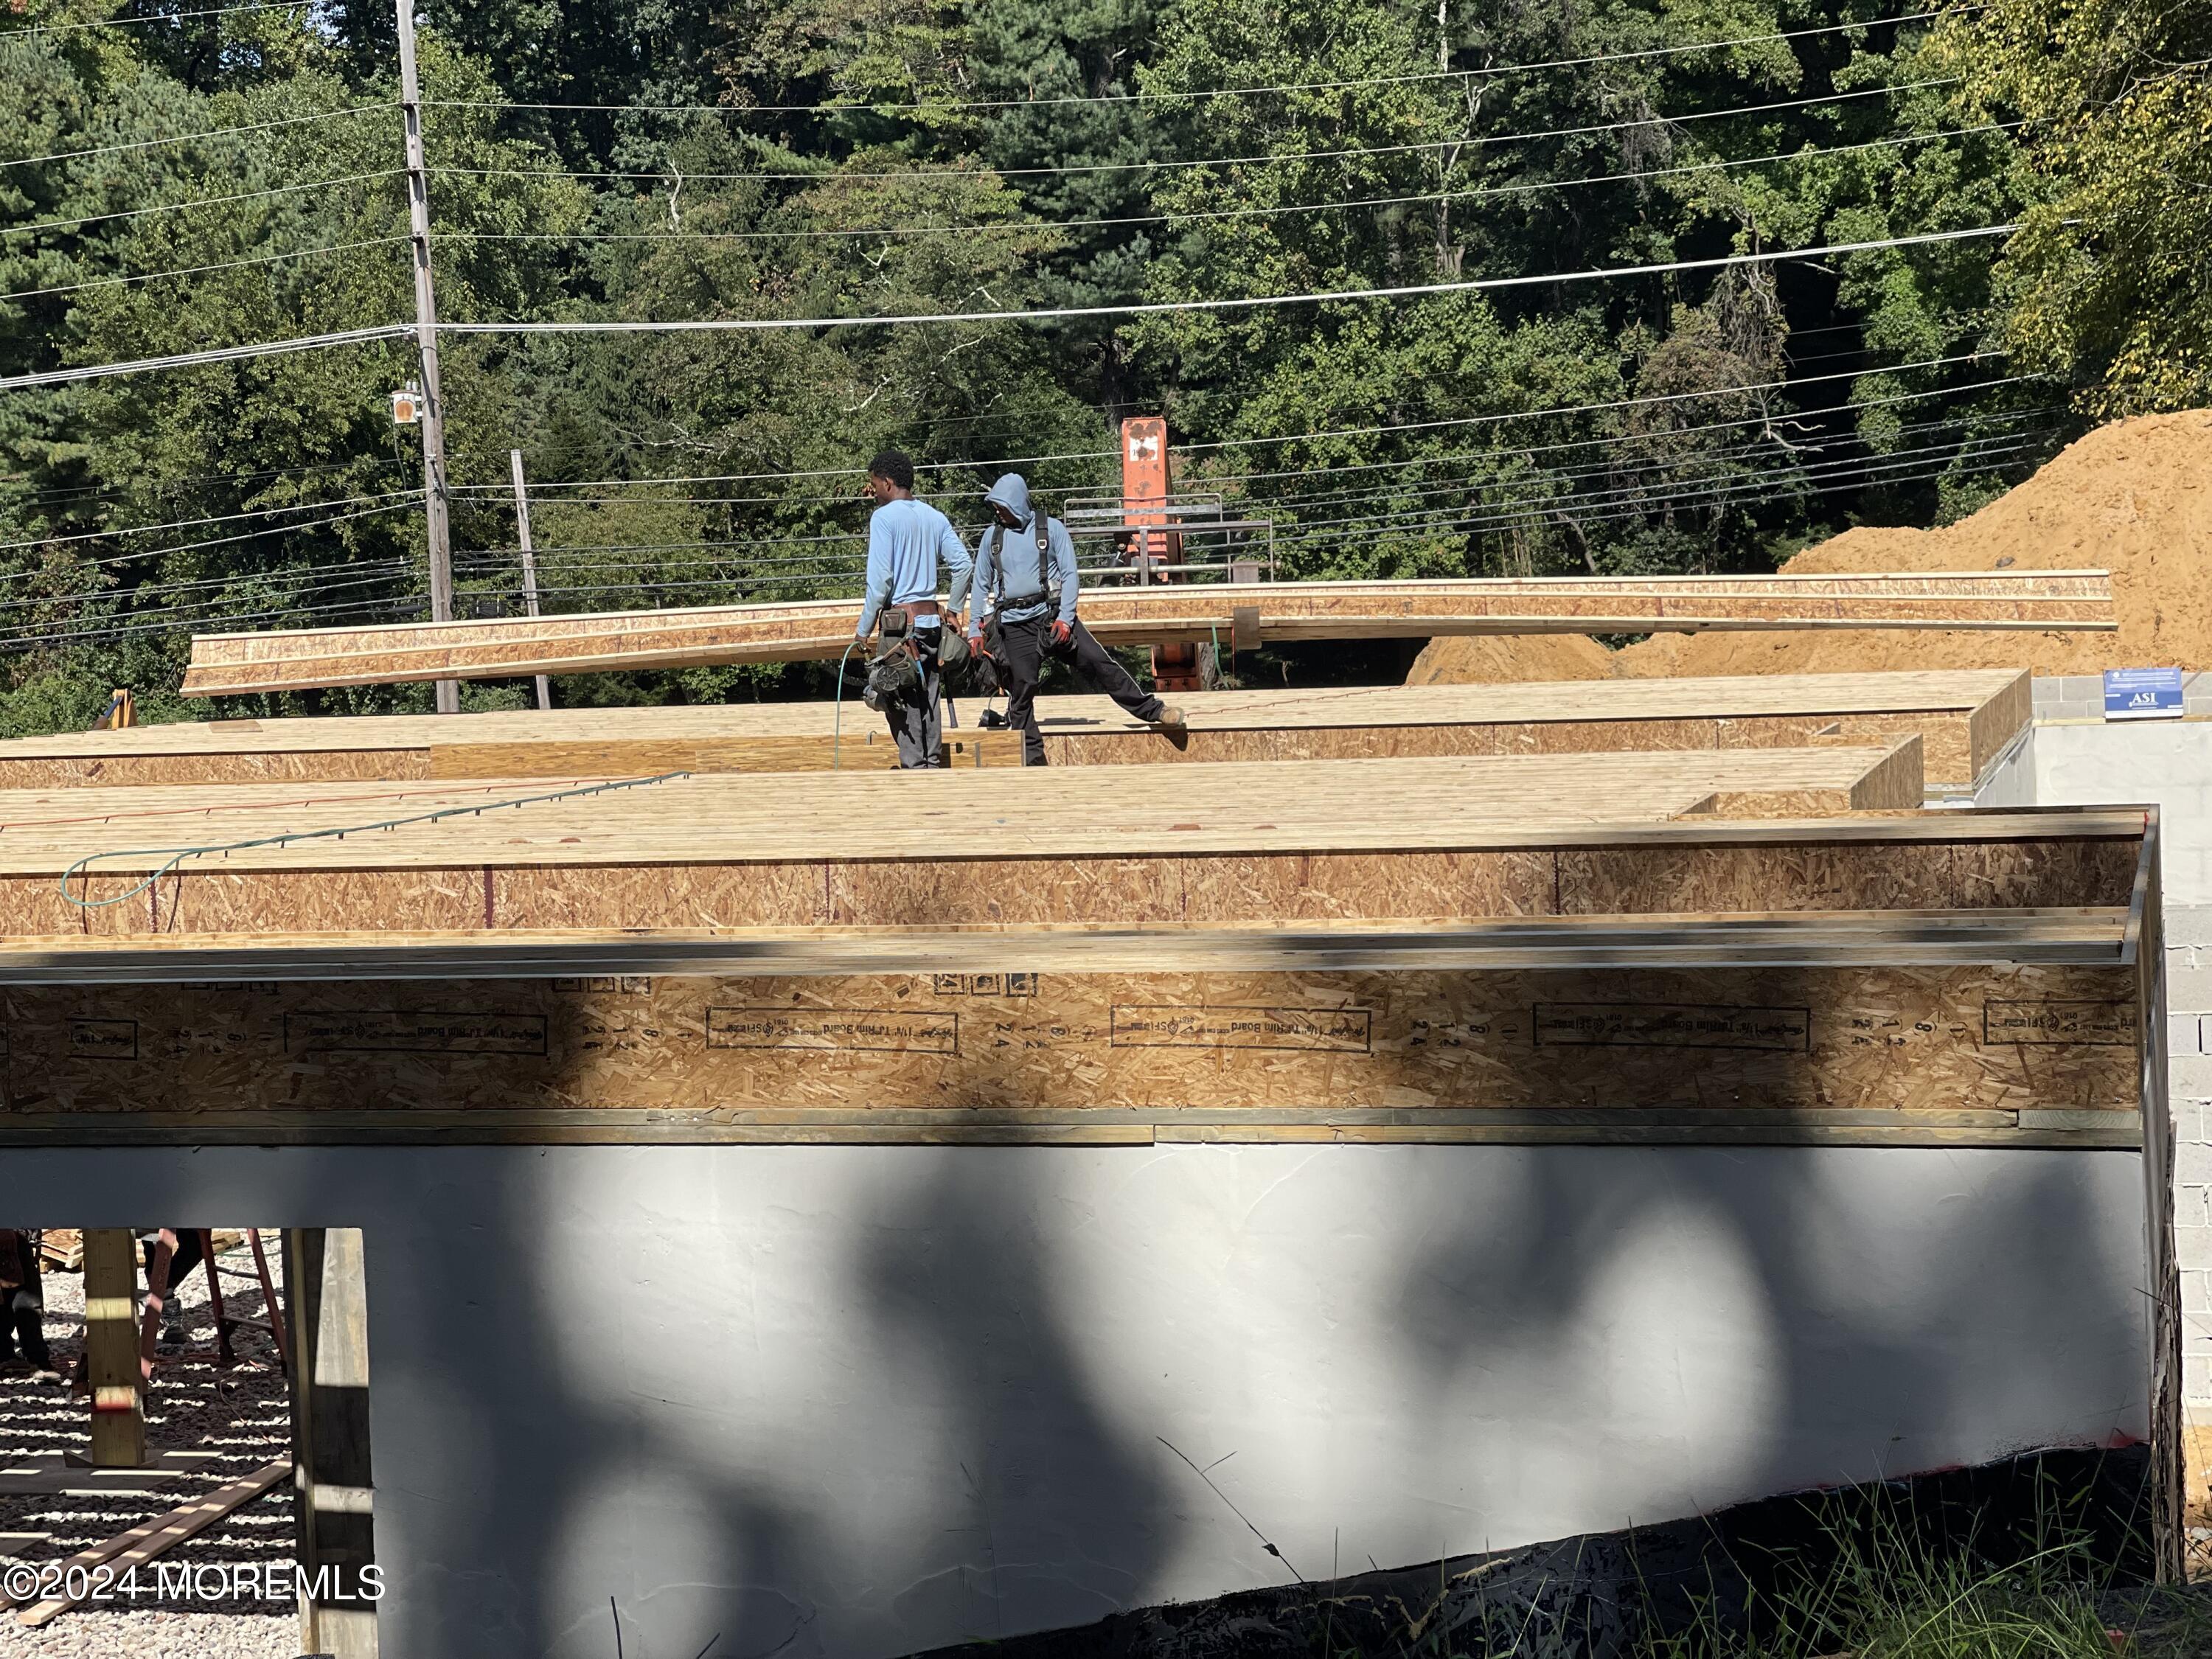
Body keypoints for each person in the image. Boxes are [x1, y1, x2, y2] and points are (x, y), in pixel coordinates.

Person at [968, 472, 1184, 767]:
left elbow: (1070, 576)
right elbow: (980, 585)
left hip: (1052, 617)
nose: (997, 511)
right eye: (996, 506)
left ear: (1017, 504)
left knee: (1099, 663)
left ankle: (1154, 711)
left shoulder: (1051, 530)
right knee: (1022, 689)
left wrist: (1066, 619)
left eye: (1002, 506)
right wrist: (974, 630)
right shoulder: (992, 538)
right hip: (1015, 624)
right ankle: (1032, 764)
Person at [855, 449, 973, 769]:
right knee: (928, 693)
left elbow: (880, 584)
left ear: (888, 483)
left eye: (875, 485)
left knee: (896, 695)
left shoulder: (883, 518)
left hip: (898, 629)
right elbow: (964, 566)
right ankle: (931, 764)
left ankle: (914, 768)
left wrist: (863, 630)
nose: (874, 491)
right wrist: (953, 610)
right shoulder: (935, 517)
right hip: (931, 625)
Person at [0, 1229, 57, 1380]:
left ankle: (36, 1359)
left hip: (16, 1235)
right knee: (25, 1301)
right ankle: (9, 1355)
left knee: (27, 1302)